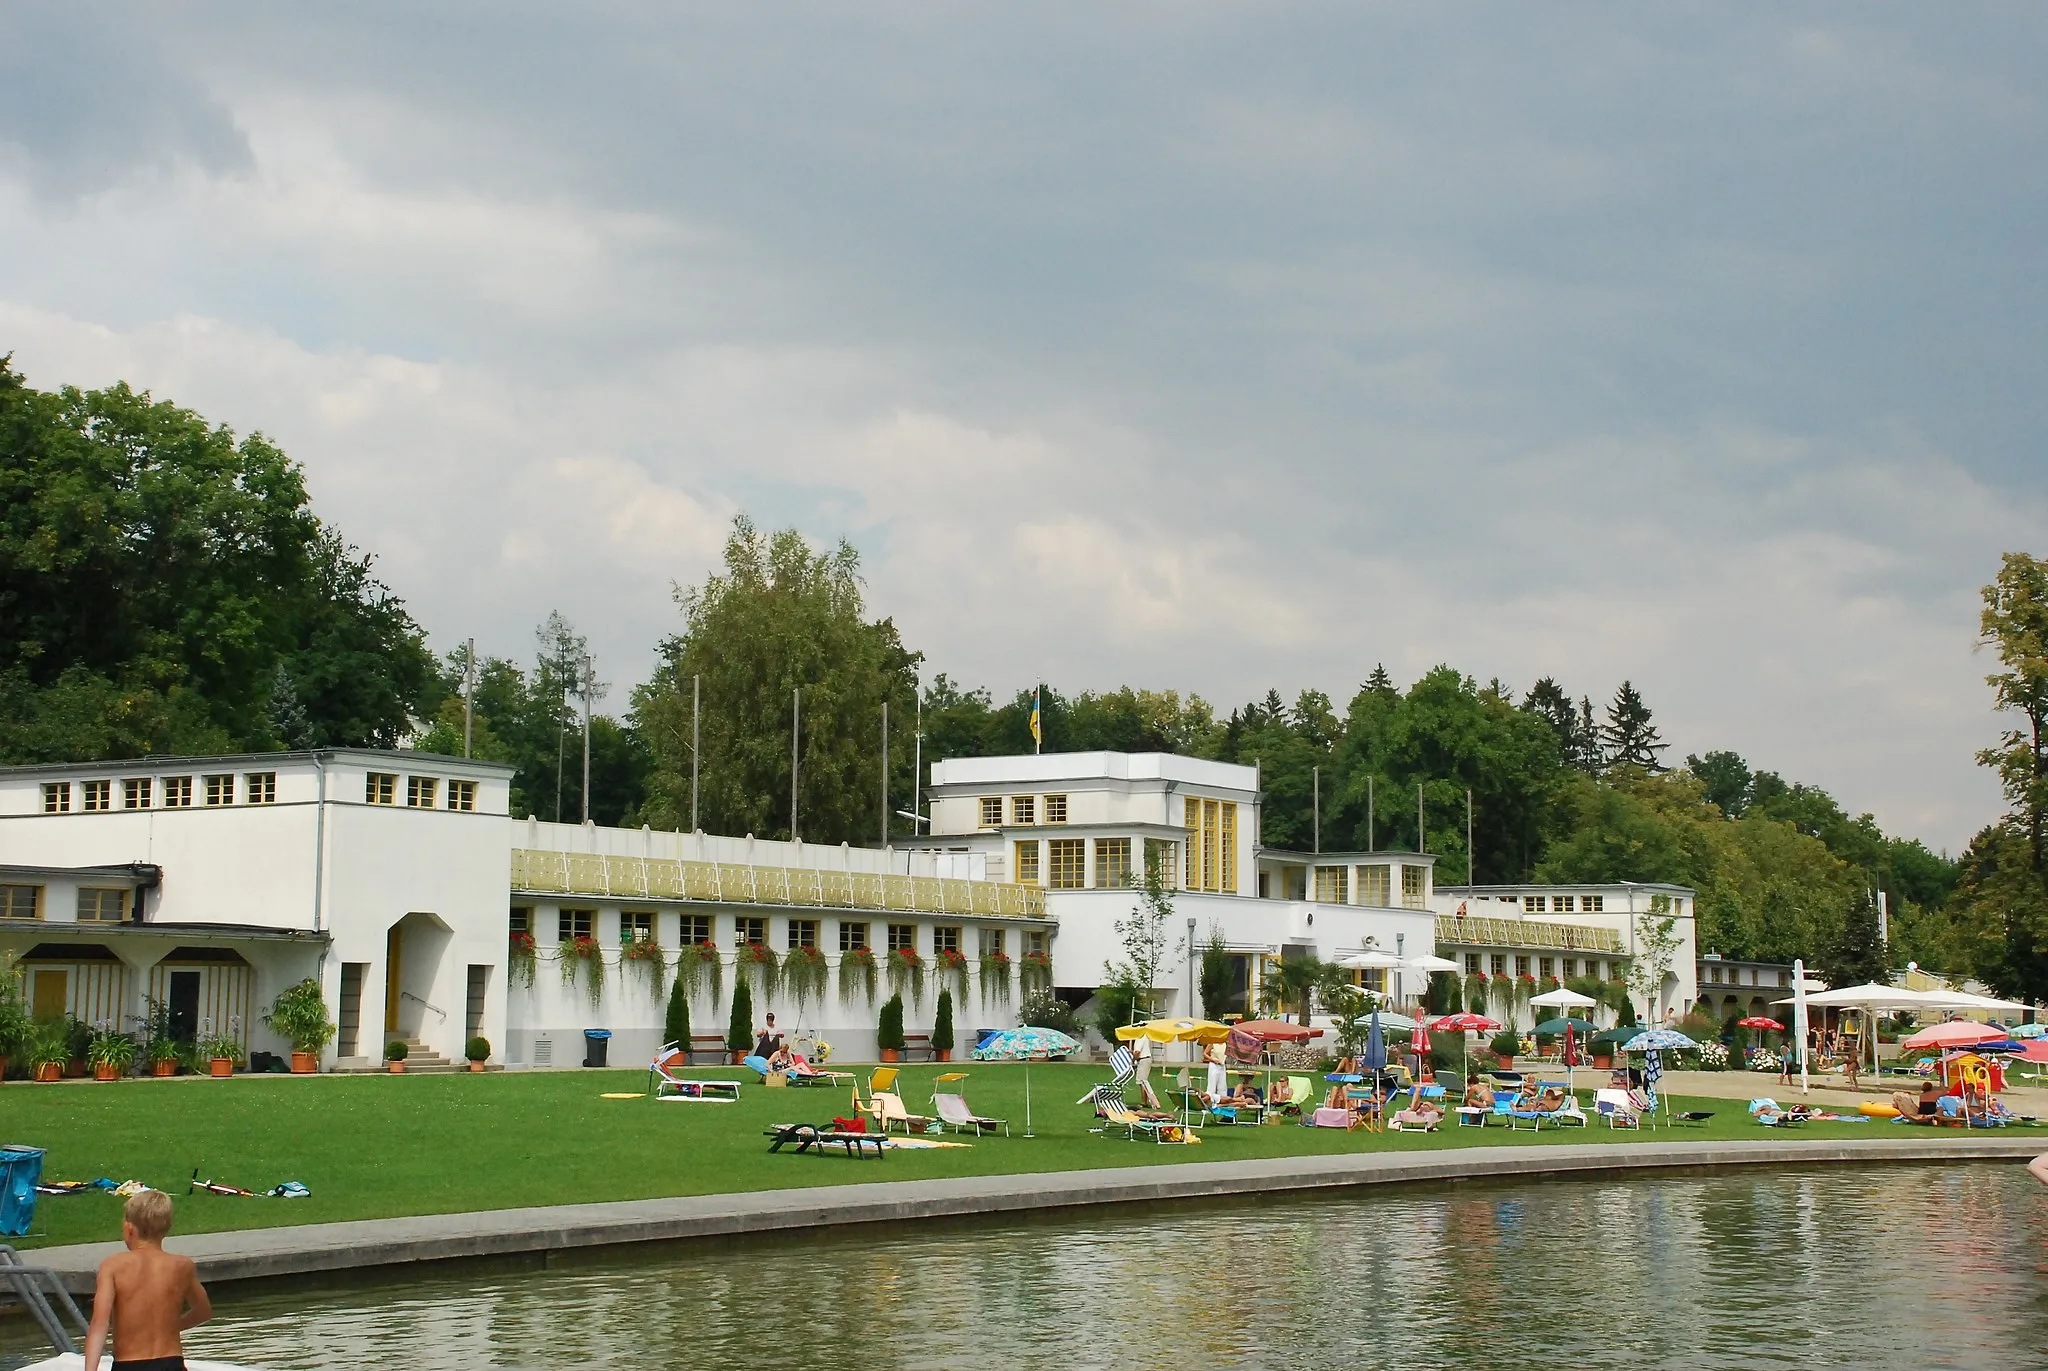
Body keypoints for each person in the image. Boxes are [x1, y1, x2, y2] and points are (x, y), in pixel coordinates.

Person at [83, 1189, 211, 1371]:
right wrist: (170, 1328)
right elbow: (203, 1311)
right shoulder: (182, 1265)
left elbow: (99, 1324)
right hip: (171, 1363)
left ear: (128, 1228)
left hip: (130, 1365)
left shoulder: (113, 1266)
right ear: (168, 1228)